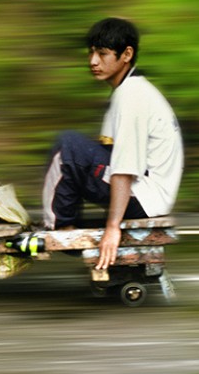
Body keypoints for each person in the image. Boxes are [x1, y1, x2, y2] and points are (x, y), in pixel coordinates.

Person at [41, 17, 183, 271]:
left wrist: (112, 228)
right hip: (149, 193)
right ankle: (68, 223)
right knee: (81, 150)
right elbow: (110, 153)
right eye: (91, 52)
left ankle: (61, 229)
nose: (93, 61)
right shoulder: (130, 89)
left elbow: (123, 168)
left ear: (126, 54)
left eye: (103, 54)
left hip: (144, 197)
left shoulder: (132, 96)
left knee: (67, 146)